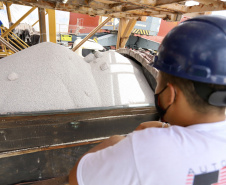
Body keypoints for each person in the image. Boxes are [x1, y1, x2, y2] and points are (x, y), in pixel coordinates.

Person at [69, 15, 226, 185]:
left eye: (159, 83)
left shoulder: (148, 149)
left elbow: (78, 178)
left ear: (170, 95)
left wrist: (116, 141)